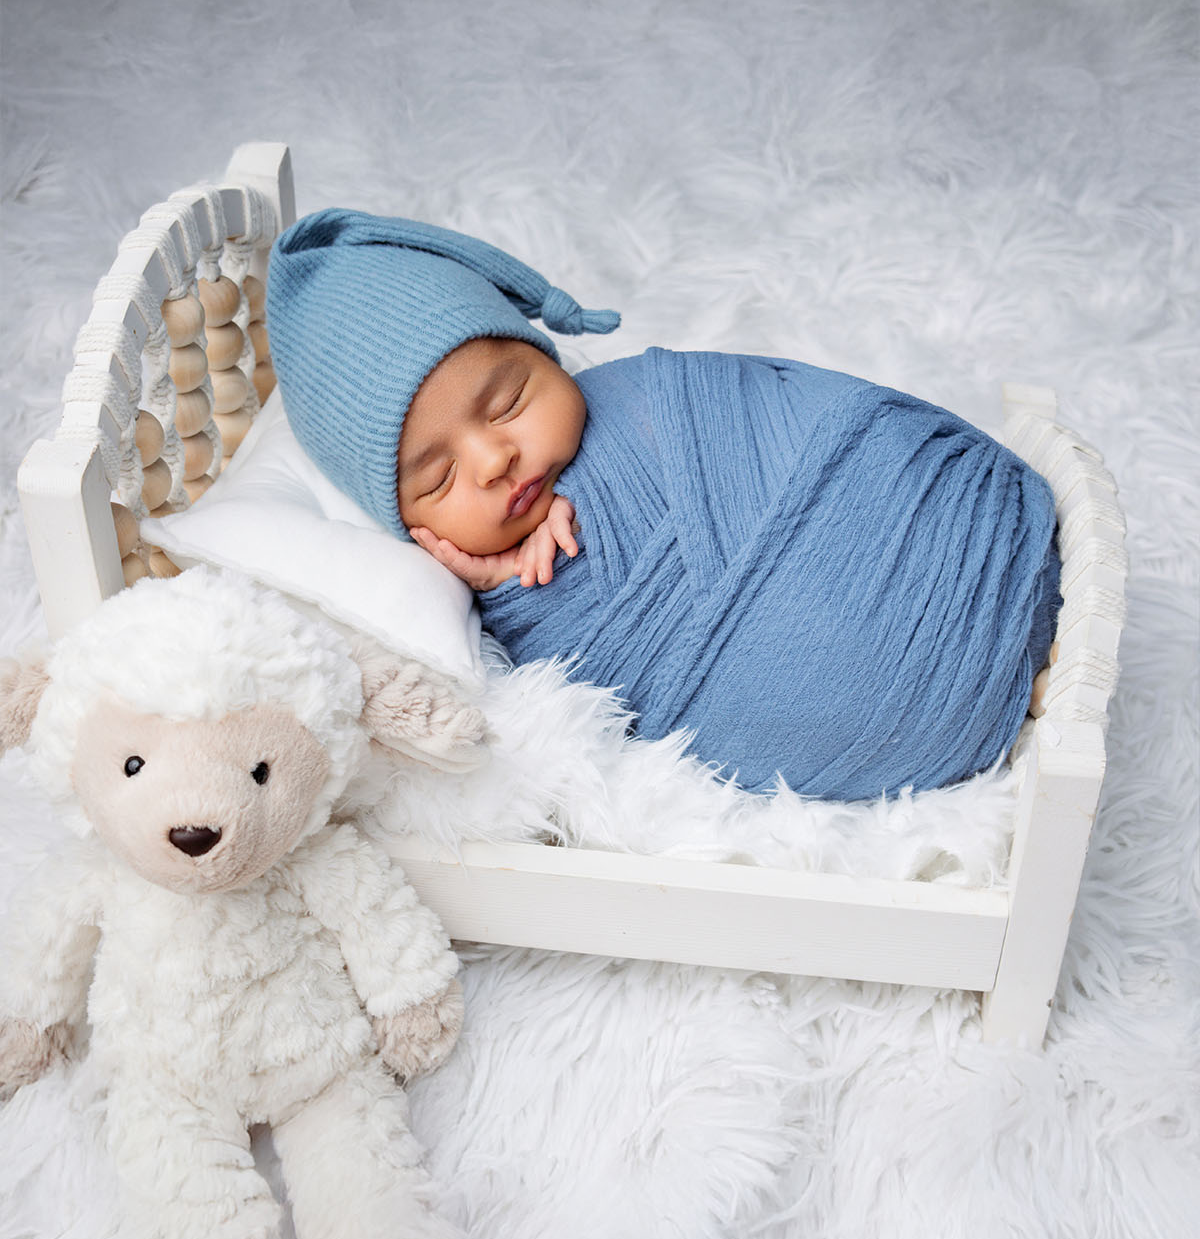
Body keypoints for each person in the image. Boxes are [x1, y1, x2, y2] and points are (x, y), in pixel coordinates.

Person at [268, 209, 1060, 801]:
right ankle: (960, 683)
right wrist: (503, 586)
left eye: (509, 400)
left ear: (543, 355)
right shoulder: (477, 580)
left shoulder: (658, 398)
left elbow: (811, 404)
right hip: (917, 707)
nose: (493, 459)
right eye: (438, 480)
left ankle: (971, 633)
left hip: (972, 528)